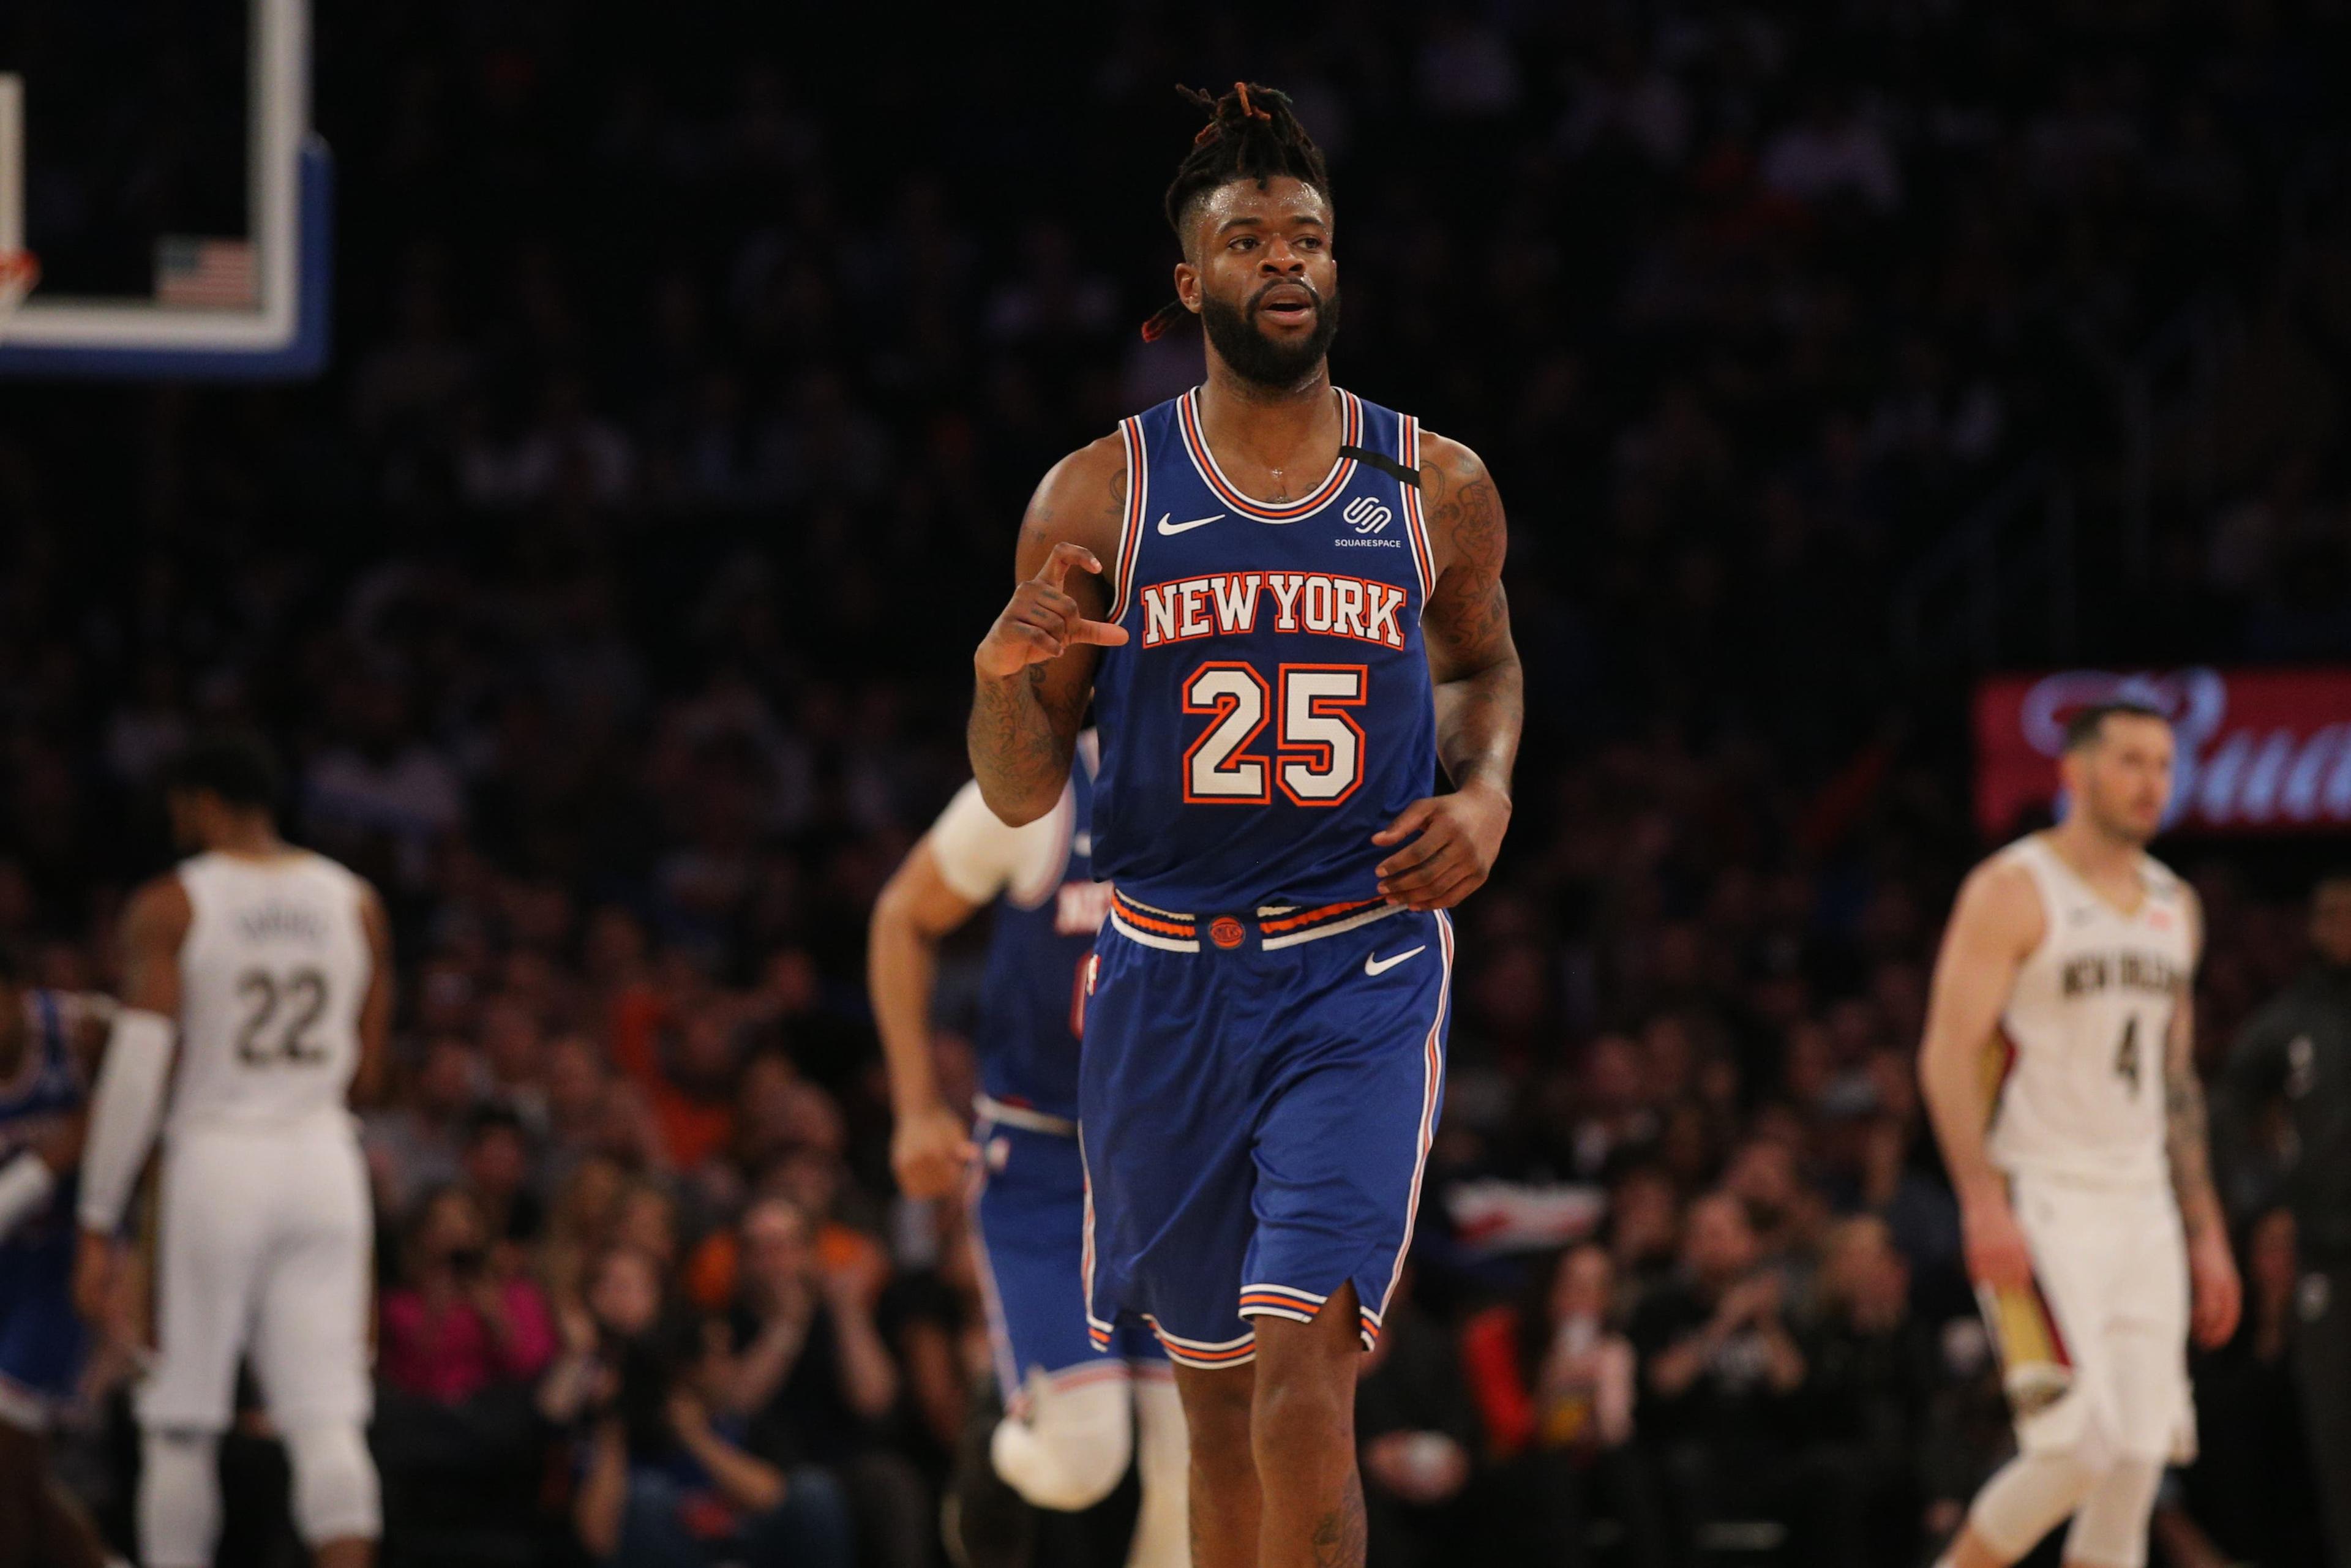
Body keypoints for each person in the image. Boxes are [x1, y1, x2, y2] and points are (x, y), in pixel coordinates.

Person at [966, 81, 1521, 1568]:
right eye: (1251, 238)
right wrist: (999, 678)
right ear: (1190, 280)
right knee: (1211, 1417)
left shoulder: (1433, 481)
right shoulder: (1098, 493)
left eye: (1309, 237)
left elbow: (1479, 664)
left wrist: (1487, 788)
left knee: (1299, 1382)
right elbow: (1021, 788)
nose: (1285, 260)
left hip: (1356, 963)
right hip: (1159, 977)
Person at [1916, 701, 2241, 1568]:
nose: (2151, 782)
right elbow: (1946, 1056)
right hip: (2039, 1193)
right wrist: (1982, 1201)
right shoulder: (2013, 889)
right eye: (2131, 760)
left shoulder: (2178, 904)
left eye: (2165, 765)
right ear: (2075, 771)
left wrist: (2205, 1229)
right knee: (2075, 1447)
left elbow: (2177, 1083)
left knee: (2137, 1459)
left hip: (2142, 1206)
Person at [70, 730, 395, 1568]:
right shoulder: (355, 898)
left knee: (181, 1422)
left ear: (205, 800)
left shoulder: (175, 902)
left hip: (216, 1157)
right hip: (325, 1156)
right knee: (328, 1419)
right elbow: (369, 1063)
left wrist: (100, 1217)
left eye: (180, 801)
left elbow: (139, 1073)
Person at [868, 730, 1187, 1567]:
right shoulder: (1041, 792)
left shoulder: (1244, 787)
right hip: (1045, 1162)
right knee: (1084, 1464)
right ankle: (1002, 1431)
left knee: (1192, 1465)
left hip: (1176, 1172)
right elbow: (902, 916)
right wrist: (915, 1108)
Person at [2216, 871, 2351, 1567]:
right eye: (2328, 911)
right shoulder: (2291, 1020)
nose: (2340, 923)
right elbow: (2230, 1106)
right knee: (2339, 1441)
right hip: (2329, 1258)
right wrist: (2262, 1202)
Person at [0, 951, 112, 1568]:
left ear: (19, 993)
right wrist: (51, 1158)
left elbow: (148, 1075)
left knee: (8, 1451)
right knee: (17, 1478)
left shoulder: (79, 1031)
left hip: (61, 1268)